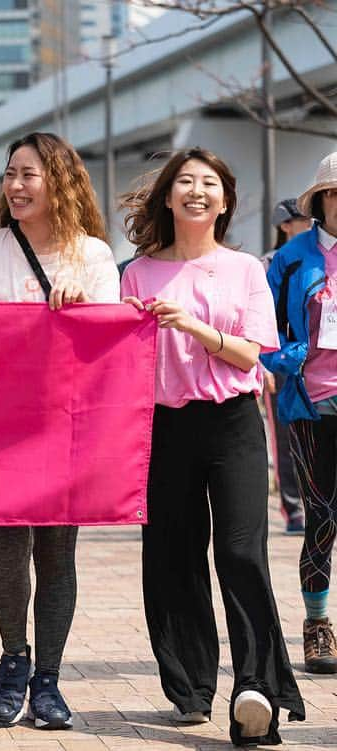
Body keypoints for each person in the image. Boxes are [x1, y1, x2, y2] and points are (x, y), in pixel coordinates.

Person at [121, 147, 305, 746]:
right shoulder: (138, 272)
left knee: (241, 552)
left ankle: (254, 687)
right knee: (172, 557)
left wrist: (193, 326)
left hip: (232, 423)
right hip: (162, 428)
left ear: (224, 200)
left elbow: (252, 354)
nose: (196, 192)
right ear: (168, 197)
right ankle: (191, 687)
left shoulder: (246, 268)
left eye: (208, 184)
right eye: (184, 183)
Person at [0, 132, 119, 731]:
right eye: (10, 174)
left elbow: (113, 345)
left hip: (65, 427)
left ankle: (49, 677)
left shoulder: (92, 256)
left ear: (60, 182)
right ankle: (13, 659)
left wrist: (85, 313)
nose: (16, 186)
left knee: (57, 551)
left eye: (30, 175)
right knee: (7, 545)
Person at [261, 151, 337, 675]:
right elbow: (261, 328)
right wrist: (285, 360)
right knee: (323, 516)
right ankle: (317, 625)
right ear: (324, 200)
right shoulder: (291, 258)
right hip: (312, 401)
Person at [263, 198, 312, 535]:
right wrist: (265, 364)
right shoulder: (268, 263)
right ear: (285, 225)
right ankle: (293, 509)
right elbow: (263, 321)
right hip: (282, 365)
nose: (311, 223)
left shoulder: (322, 257)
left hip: (320, 364)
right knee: (285, 439)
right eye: (302, 219)